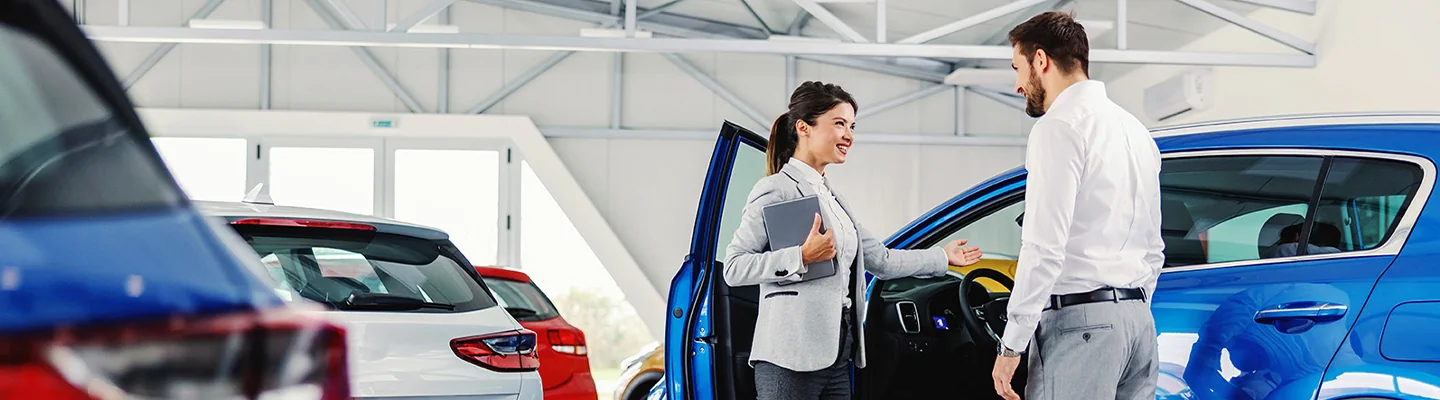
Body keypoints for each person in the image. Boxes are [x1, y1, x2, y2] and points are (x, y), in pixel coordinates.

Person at [723, 81, 984, 400]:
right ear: (804, 128)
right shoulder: (776, 189)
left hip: (838, 351)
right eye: (839, 124)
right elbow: (734, 267)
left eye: (851, 126)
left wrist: (942, 257)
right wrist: (801, 256)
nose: (849, 135)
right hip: (789, 358)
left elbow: (883, 261)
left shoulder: (834, 199)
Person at [990, 11, 1164, 400]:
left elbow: (1043, 248)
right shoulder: (1136, 131)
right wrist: (1128, 309)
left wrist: (1011, 344)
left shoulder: (1058, 127)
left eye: (1017, 68)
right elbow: (1155, 248)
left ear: (1040, 60)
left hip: (1081, 325)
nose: (1018, 84)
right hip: (1138, 323)